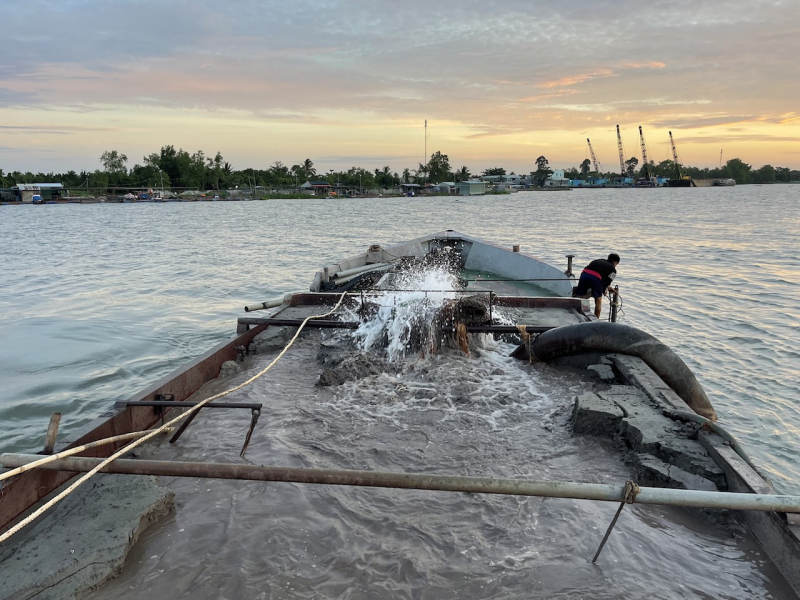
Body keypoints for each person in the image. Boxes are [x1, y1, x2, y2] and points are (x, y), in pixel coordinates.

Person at [572, 253, 620, 318]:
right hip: (595, 277)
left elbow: (600, 277)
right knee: (598, 300)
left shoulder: (599, 261)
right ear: (615, 263)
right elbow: (607, 282)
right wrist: (604, 290)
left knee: (581, 297)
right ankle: (596, 319)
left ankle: (575, 314)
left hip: (584, 274)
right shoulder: (613, 270)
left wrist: (607, 287)